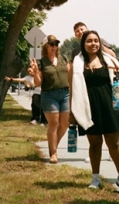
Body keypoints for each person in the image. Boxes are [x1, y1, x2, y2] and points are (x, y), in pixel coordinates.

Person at [70, 30, 119, 192]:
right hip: (88, 108)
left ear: (100, 43)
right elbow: (73, 89)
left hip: (110, 106)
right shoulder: (77, 63)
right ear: (83, 44)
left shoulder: (109, 59)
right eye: (89, 41)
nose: (93, 44)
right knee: (95, 144)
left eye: (96, 41)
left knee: (114, 143)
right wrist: (72, 113)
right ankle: (96, 178)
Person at [31, 35, 71, 164]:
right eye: (51, 44)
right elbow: (37, 83)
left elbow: (71, 75)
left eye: (56, 44)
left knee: (65, 124)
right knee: (54, 124)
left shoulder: (64, 58)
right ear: (46, 46)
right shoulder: (41, 62)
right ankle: (53, 153)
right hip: (49, 95)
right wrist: (36, 72)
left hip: (65, 94)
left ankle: (53, 146)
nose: (54, 47)